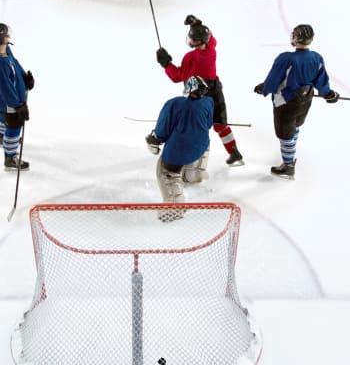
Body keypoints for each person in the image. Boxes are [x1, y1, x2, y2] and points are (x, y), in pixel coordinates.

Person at [155, 14, 244, 166]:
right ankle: (234, 152)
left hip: (200, 95)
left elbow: (178, 76)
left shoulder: (191, 58)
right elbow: (212, 38)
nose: (190, 40)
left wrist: (166, 64)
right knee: (220, 124)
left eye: (192, 38)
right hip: (216, 90)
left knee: (198, 125)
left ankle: (194, 159)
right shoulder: (211, 50)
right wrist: (197, 25)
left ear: (196, 42)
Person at [254, 24, 339, 179]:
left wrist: (264, 88)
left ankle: (288, 165)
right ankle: (290, 154)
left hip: (285, 103)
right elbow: (321, 80)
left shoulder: (286, 58)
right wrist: (328, 94)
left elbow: (274, 79)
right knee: (295, 125)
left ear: (296, 38)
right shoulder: (316, 57)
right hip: (305, 100)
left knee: (285, 134)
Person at [145, 76, 214, 222]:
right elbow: (208, 124)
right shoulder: (208, 102)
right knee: (198, 146)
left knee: (165, 171)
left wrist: (155, 139)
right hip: (202, 146)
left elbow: (162, 132)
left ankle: (175, 209)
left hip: (180, 151)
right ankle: (194, 174)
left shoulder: (174, 104)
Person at [0, 23, 33, 171]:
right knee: (14, 125)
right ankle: (10, 157)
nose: (9, 36)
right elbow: (5, 88)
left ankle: (2, 136)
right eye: (6, 34)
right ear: (1, 39)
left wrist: (24, 76)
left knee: (3, 116)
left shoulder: (3, 49)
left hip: (5, 101)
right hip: (9, 102)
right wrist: (18, 106)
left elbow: (14, 62)